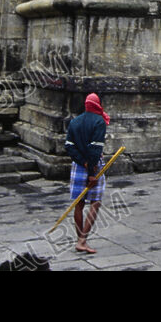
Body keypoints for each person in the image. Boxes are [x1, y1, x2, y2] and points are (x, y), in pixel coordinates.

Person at [64, 93, 109, 254]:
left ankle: (80, 239)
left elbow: (69, 146)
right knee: (95, 202)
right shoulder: (99, 121)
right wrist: (91, 171)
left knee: (79, 203)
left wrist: (82, 162)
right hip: (93, 167)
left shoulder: (74, 121)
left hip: (78, 166)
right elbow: (95, 149)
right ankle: (82, 240)